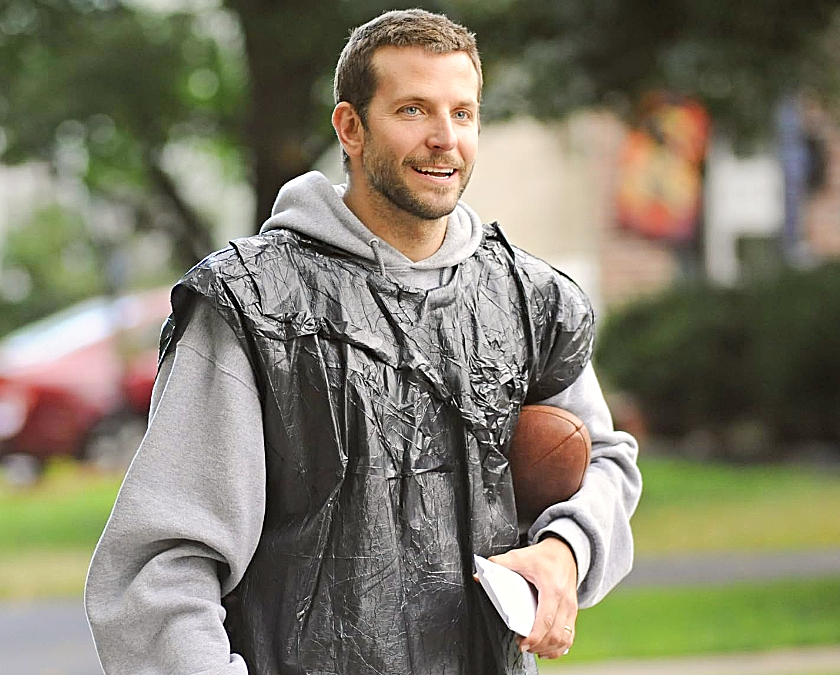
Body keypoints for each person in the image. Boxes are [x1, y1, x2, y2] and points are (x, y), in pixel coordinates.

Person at [85, 8, 642, 674]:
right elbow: (159, 570)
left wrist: (566, 550)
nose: (444, 139)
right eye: (413, 110)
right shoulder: (253, 304)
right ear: (350, 127)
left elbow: (605, 457)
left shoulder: (528, 300)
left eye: (462, 114)